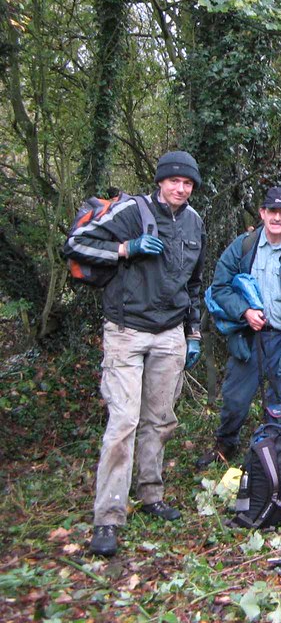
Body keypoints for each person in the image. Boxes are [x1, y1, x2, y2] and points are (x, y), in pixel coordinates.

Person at [63, 151, 207, 557]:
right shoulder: (131, 210)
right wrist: (125, 248)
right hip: (126, 331)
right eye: (174, 181)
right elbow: (74, 244)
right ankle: (107, 518)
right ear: (160, 181)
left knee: (160, 420)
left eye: (188, 183)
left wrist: (192, 333)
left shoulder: (195, 223)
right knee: (123, 421)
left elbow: (194, 282)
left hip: (170, 334)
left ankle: (151, 494)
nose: (180, 188)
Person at [197, 186, 281, 468]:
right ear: (263, 213)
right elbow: (219, 287)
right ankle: (225, 446)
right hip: (248, 338)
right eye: (272, 211)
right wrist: (244, 311)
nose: (277, 218)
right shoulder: (244, 246)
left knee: (280, 401)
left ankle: (277, 454)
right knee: (234, 398)